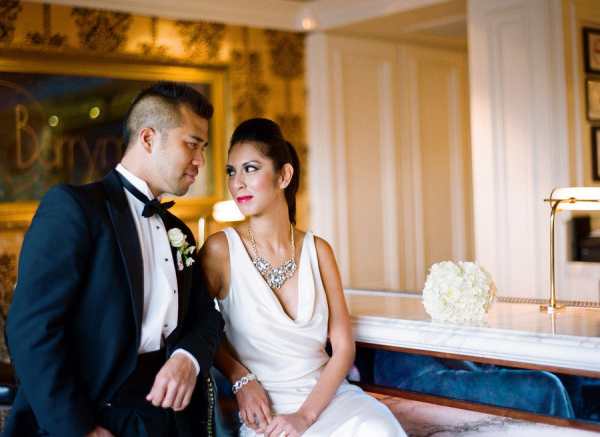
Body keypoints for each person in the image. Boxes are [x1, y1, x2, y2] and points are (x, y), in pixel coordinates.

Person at [4, 81, 224, 437]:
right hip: (94, 416)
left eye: (203, 147)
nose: (200, 160)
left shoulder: (179, 232)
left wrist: (188, 358)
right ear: (149, 139)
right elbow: (30, 330)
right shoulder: (74, 209)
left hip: (169, 422)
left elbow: (206, 317)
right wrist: (77, 429)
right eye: (192, 144)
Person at [200, 118, 405, 437]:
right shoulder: (220, 250)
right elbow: (194, 328)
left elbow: (343, 348)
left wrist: (306, 416)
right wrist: (240, 377)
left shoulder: (318, 250)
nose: (237, 182)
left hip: (330, 401)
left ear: (284, 175)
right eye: (231, 171)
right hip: (266, 413)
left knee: (378, 428)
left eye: (250, 168)